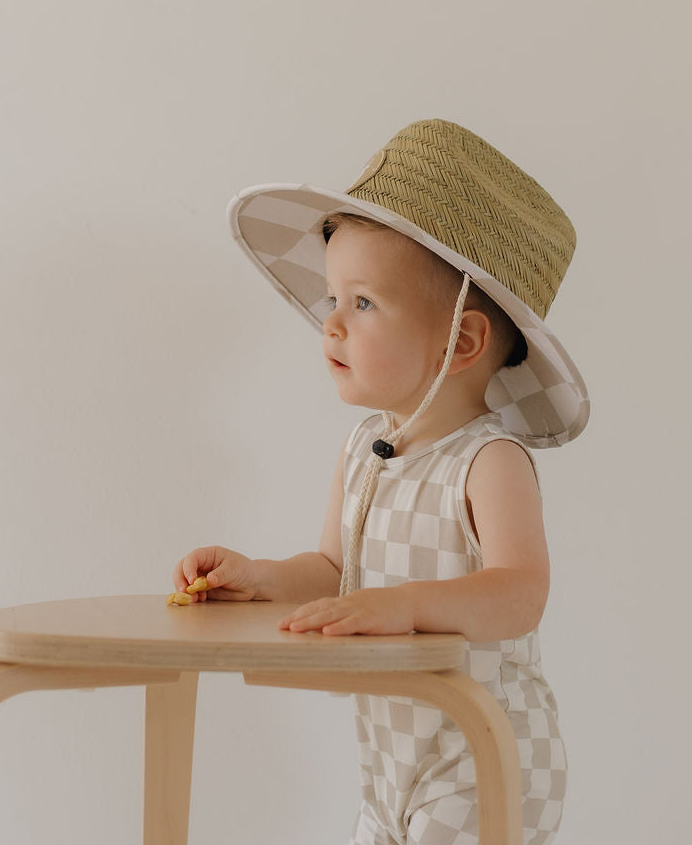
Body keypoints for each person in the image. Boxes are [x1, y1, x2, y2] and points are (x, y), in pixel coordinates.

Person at [173, 117, 588, 845]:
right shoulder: (365, 450)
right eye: (333, 299)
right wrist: (261, 577)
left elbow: (522, 593)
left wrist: (404, 605)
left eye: (362, 303)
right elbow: (334, 571)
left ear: (462, 340)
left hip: (488, 755)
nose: (332, 324)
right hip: (392, 763)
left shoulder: (488, 461)